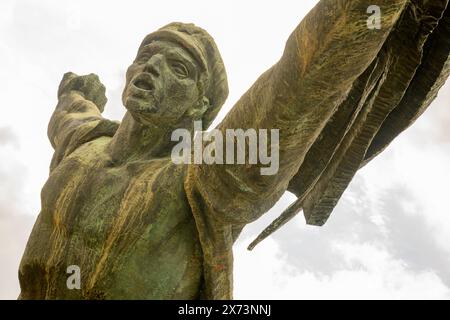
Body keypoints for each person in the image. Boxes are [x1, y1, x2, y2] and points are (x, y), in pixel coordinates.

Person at [19, 0, 450, 299]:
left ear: (200, 106)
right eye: (147, 54)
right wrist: (76, 92)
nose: (151, 67)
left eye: (180, 68)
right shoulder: (85, 142)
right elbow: (72, 112)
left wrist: (369, 11)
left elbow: (298, 80)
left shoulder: (205, 175)